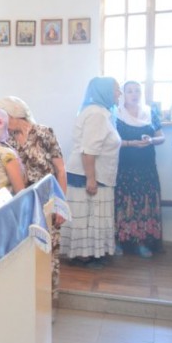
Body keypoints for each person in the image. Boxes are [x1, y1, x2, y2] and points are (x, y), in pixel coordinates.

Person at [0, 96, 67, 301]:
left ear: (14, 115)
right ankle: (25, 305)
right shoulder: (5, 140)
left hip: (46, 204)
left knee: (47, 253)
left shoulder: (44, 133)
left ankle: (47, 304)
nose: (0, 122)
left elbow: (61, 171)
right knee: (22, 256)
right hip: (19, 206)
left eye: (2, 117)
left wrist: (61, 205)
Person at [60, 77, 122, 269]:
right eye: (116, 89)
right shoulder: (96, 114)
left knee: (92, 217)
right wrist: (91, 179)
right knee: (87, 217)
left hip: (95, 173)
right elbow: (89, 150)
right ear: (104, 91)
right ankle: (83, 256)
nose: (119, 93)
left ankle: (91, 253)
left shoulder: (102, 112)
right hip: (88, 175)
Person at [114, 81, 164, 258]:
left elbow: (161, 137)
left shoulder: (150, 112)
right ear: (123, 94)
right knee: (123, 203)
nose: (134, 94)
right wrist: (131, 143)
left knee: (145, 203)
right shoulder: (117, 114)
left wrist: (151, 140)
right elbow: (112, 142)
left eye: (137, 91)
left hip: (147, 166)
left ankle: (142, 242)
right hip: (125, 167)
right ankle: (119, 241)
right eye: (129, 91)